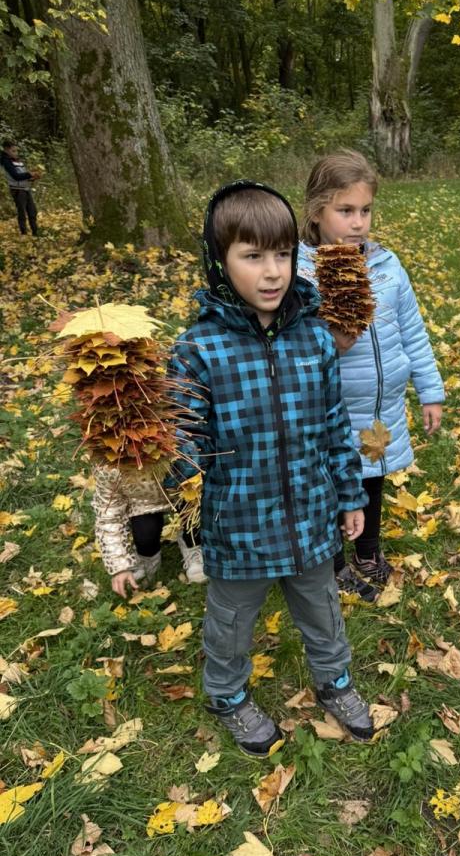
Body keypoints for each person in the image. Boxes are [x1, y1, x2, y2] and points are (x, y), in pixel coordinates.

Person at [169, 180, 373, 755]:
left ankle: (334, 679)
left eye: (282, 254)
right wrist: (166, 456)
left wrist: (349, 493)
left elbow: (334, 423)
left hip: (310, 513)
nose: (272, 272)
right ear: (219, 261)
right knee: (231, 619)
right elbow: (182, 442)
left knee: (322, 606)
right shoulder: (198, 350)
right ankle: (226, 692)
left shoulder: (314, 338)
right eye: (252, 256)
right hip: (239, 523)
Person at [298, 149, 445, 601]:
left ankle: (367, 550)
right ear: (316, 211)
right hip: (332, 408)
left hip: (380, 403)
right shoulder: (298, 273)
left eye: (365, 210)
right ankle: (333, 562)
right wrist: (330, 338)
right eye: (345, 211)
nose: (358, 223)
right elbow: (295, 350)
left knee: (371, 475)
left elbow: (413, 331)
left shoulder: (387, 265)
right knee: (331, 482)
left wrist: (430, 390)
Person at [93, 465, 206, 596]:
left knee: (199, 512)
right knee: (146, 533)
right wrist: (120, 566)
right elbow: (108, 517)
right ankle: (148, 557)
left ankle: (192, 543)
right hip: (142, 502)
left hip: (188, 488)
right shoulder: (108, 467)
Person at [1, 139, 40, 237]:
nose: (16, 153)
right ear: (6, 150)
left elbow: (23, 175)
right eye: (13, 151)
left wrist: (32, 178)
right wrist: (29, 174)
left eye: (16, 151)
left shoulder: (18, 161)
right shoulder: (6, 162)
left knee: (32, 211)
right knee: (22, 212)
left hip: (26, 188)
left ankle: (35, 233)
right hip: (17, 190)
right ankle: (24, 234)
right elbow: (16, 176)